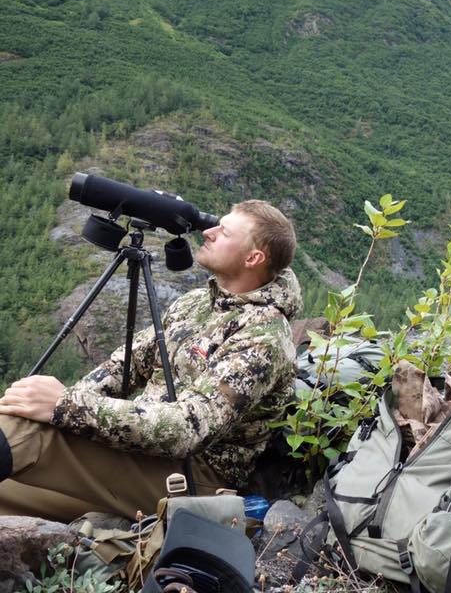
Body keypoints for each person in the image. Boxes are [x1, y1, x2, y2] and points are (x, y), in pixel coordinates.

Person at [0, 199, 302, 522]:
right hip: (146, 451)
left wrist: (66, 406)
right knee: (9, 486)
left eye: (223, 232)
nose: (209, 232)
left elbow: (188, 428)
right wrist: (49, 403)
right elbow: (124, 366)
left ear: (253, 258)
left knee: (28, 433)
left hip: (192, 478)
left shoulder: (265, 338)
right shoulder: (197, 304)